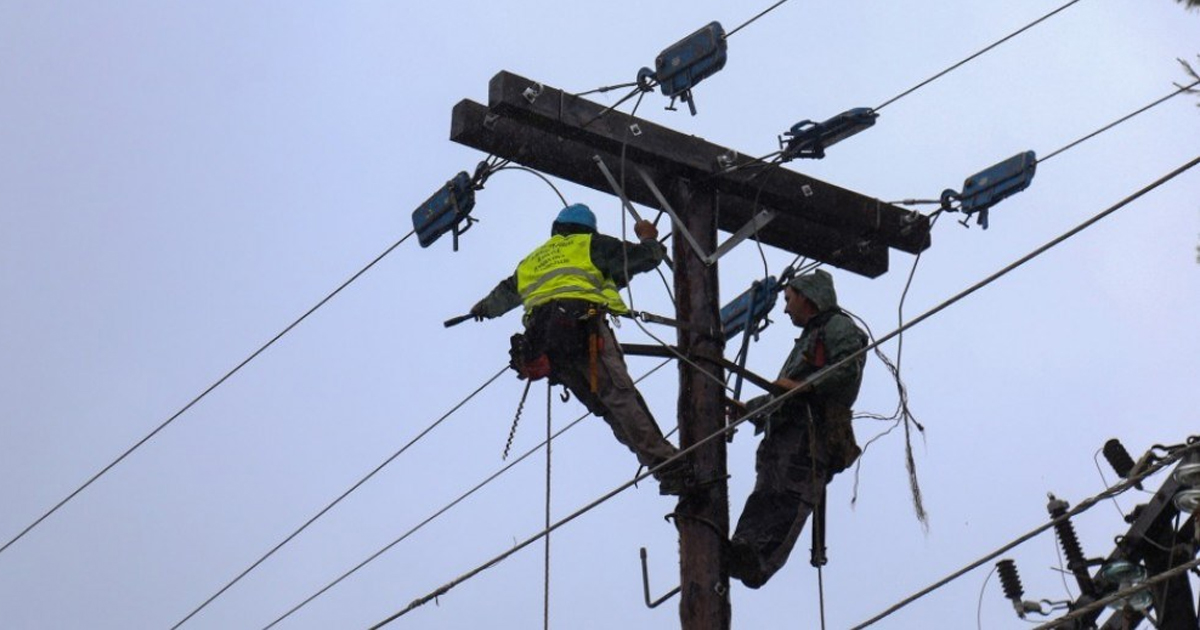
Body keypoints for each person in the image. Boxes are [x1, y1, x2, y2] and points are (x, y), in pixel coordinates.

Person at [469, 203, 693, 495]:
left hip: (550, 348)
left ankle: (663, 468)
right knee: (620, 398)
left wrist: (482, 309)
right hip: (583, 332)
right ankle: (669, 465)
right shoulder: (592, 245)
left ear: (556, 228)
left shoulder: (531, 261)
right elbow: (644, 258)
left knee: (606, 408)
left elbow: (504, 294)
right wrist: (649, 238)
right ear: (588, 228)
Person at [726, 268, 867, 588]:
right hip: (785, 435)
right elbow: (788, 390)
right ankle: (742, 548)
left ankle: (759, 562)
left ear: (808, 296)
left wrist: (805, 387)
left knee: (789, 499)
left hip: (811, 433)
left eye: (789, 299)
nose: (786, 307)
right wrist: (749, 409)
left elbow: (847, 369)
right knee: (766, 495)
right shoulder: (808, 338)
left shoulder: (838, 326)